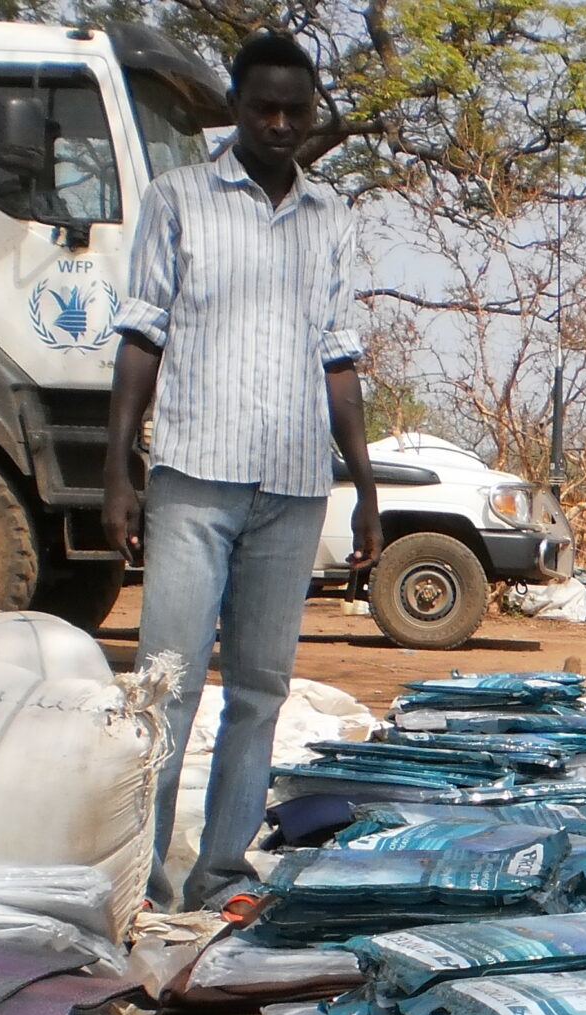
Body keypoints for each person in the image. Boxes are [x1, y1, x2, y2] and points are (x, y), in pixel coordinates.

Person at [103, 30, 381, 910]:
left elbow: (341, 360)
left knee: (259, 691)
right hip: (193, 479)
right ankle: (137, 882)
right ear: (237, 103)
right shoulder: (179, 198)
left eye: (296, 109)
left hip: (294, 488)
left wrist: (367, 486)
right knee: (168, 689)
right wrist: (119, 466)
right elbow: (142, 333)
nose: (279, 122)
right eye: (264, 105)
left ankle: (220, 876)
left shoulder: (330, 216)